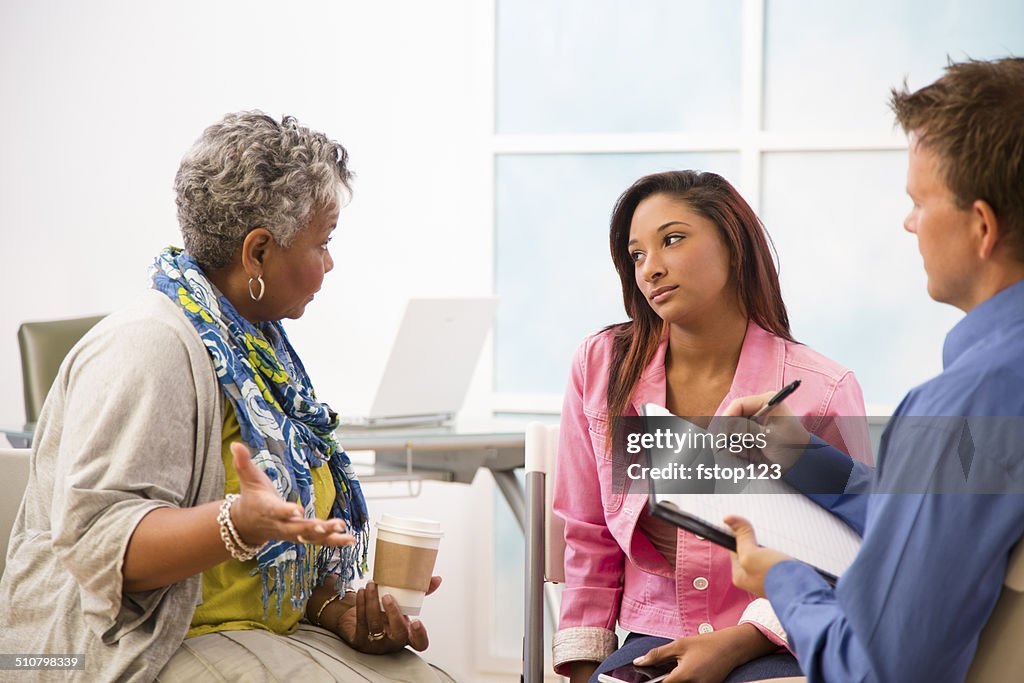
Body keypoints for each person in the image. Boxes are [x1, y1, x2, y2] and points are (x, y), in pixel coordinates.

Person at [0, 112, 453, 682]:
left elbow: (260, 577)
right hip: (131, 648)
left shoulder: (258, 354)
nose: (330, 263)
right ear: (258, 252)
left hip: (245, 635)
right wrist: (237, 521)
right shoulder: (150, 347)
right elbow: (99, 546)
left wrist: (332, 611)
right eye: (324, 243)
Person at [722, 57, 1024, 683]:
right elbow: (944, 507)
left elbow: (875, 670)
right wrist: (801, 456)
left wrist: (782, 579)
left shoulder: (962, 406)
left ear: (983, 227)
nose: (908, 222)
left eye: (919, 201)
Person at [552, 170, 874, 683]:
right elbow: (590, 533)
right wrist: (589, 671)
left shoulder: (823, 388)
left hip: (777, 638)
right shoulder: (600, 366)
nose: (650, 269)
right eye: (637, 255)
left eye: (672, 240)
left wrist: (742, 641)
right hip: (652, 636)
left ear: (732, 244)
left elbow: (854, 550)